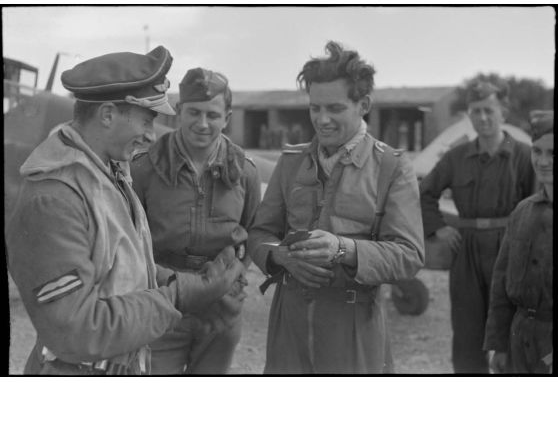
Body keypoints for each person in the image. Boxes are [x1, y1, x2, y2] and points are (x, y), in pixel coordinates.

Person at [5, 47, 244, 375]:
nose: (151, 134)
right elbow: (76, 330)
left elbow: (121, 267)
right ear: (107, 115)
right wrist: (177, 296)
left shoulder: (105, 175)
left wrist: (184, 281)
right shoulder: (54, 199)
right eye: (147, 120)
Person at [247, 41, 424, 374]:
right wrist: (279, 256)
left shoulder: (393, 168)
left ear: (363, 104)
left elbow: (409, 255)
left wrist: (343, 249)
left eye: (335, 108)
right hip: (289, 325)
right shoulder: (291, 162)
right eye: (315, 108)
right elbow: (260, 233)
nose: (322, 120)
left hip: (354, 327)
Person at [130, 67, 260, 374]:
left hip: (221, 310)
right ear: (178, 112)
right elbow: (129, 236)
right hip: (163, 305)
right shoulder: (145, 167)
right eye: (194, 113)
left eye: (213, 115)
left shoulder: (245, 171)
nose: (202, 124)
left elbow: (255, 232)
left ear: (227, 117)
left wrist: (236, 278)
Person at [420, 81, 535, 373]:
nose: (482, 118)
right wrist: (438, 229)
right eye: (475, 111)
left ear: (503, 112)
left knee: (512, 331)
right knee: (467, 332)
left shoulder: (524, 156)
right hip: (467, 251)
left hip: (510, 251)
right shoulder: (456, 158)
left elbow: (538, 208)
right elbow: (424, 193)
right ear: (468, 116)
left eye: (488, 110)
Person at [484, 110, 553, 374]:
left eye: (553, 153)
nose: (543, 161)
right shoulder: (523, 212)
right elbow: (501, 285)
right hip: (519, 340)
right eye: (537, 151)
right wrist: (499, 345)